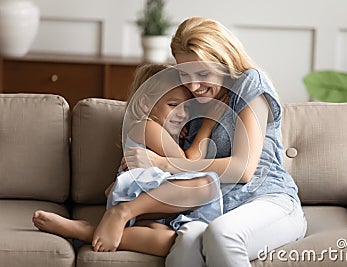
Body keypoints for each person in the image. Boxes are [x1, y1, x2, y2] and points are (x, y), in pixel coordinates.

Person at [122, 17, 308, 267]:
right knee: (186, 242)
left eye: (202, 73)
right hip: (212, 210)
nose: (194, 86)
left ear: (224, 62)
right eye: (184, 75)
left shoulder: (250, 84)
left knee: (223, 235)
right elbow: (189, 161)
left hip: (268, 201)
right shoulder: (193, 105)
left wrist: (163, 163)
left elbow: (243, 169)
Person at [32, 63, 225, 256]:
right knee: (206, 184)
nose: (182, 114)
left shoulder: (162, 130)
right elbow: (188, 163)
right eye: (173, 105)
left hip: (154, 205)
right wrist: (207, 124)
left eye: (187, 109)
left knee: (170, 241)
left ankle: (87, 231)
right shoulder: (146, 127)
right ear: (145, 104)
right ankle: (121, 213)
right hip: (139, 195)